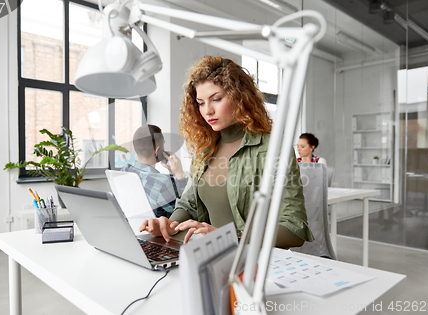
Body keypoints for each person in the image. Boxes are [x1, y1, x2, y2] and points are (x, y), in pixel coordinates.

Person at [139, 55, 314, 248]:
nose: (207, 111)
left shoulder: (274, 148)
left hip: (252, 264)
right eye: (201, 102)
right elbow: (189, 204)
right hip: (211, 255)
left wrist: (229, 236)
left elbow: (294, 229)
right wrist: (169, 225)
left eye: (217, 99)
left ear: (240, 97)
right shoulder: (204, 149)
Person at [121, 124, 187, 218]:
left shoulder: (124, 170)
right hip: (159, 230)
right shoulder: (162, 181)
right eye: (163, 144)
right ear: (157, 150)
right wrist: (180, 176)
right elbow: (182, 212)